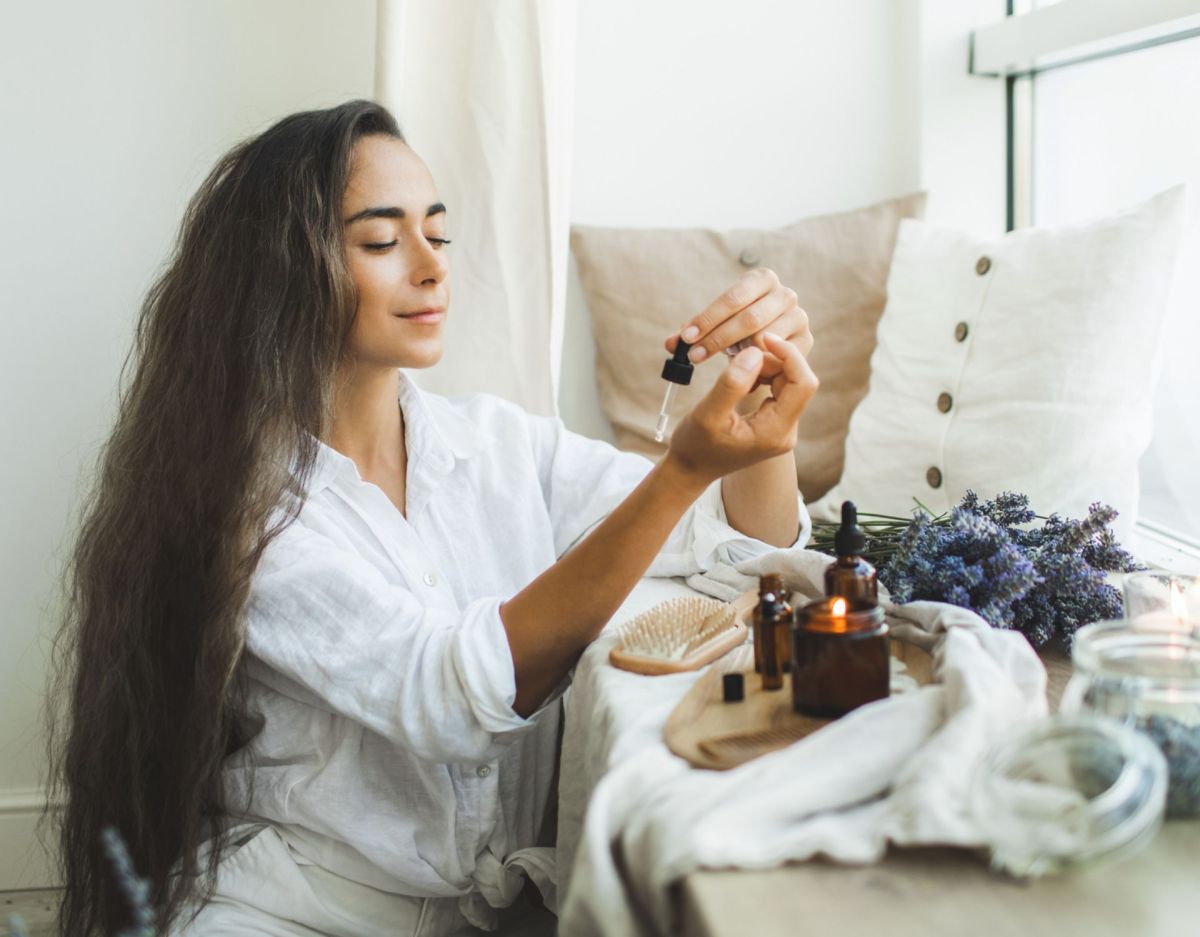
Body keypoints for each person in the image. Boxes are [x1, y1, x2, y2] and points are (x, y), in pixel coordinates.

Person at [46, 100, 818, 937]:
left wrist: (768, 416)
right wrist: (685, 468)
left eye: (437, 234)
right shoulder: (249, 511)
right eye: (382, 241)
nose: (430, 266)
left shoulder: (499, 445)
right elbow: (453, 693)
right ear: (284, 270)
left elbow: (733, 543)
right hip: (295, 913)